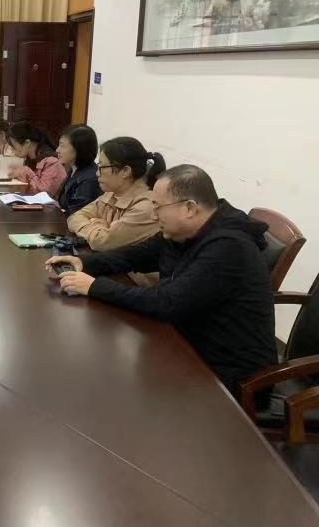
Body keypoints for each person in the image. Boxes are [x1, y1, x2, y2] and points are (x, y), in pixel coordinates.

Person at [46, 165, 277, 398]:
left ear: (189, 208)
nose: (154, 214)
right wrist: (84, 263)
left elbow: (166, 302)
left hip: (230, 376)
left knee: (115, 386)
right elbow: (134, 256)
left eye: (158, 206)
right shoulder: (184, 232)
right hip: (187, 343)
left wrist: (94, 286)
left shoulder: (228, 247)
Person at [67, 136, 165, 251]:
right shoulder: (111, 194)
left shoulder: (146, 207)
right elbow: (73, 218)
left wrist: (95, 224)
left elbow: (101, 242)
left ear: (125, 171)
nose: (97, 173)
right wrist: (100, 228)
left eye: (102, 167)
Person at [6, 121, 66, 197]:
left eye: (13, 146)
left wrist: (26, 171)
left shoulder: (52, 162)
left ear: (27, 143)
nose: (12, 151)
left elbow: (45, 194)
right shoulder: (29, 159)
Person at [56, 124, 101, 215]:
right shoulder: (74, 169)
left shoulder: (89, 178)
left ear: (79, 149)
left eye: (62, 146)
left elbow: (77, 213)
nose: (57, 150)